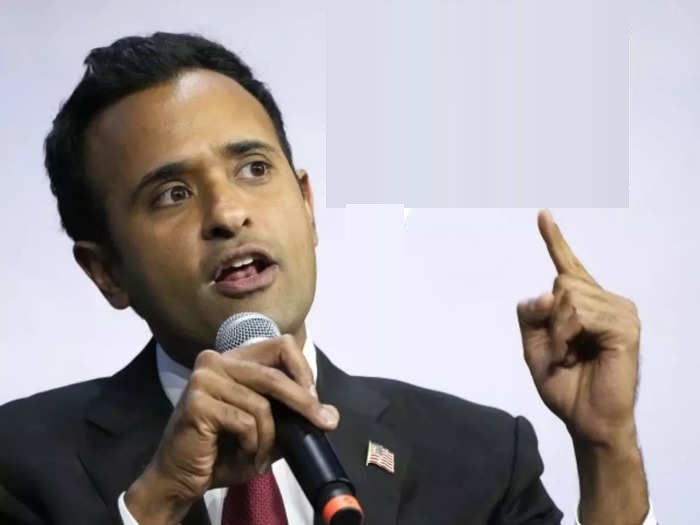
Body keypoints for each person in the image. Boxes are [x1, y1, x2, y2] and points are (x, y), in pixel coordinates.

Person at [0, 32, 655, 525]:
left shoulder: (479, 456)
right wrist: (156, 502)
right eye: (172, 193)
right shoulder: (18, 464)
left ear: (307, 204)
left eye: (254, 168)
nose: (228, 213)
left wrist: (609, 447)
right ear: (107, 271)